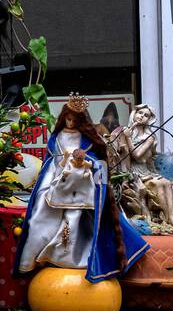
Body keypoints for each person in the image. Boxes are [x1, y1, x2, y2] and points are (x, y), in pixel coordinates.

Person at [15, 95, 149, 282]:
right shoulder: (56, 137)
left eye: (74, 120)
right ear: (63, 118)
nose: (70, 123)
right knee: (40, 217)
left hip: (81, 182)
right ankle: (40, 258)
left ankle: (75, 258)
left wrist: (84, 162)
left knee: (77, 219)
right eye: (68, 119)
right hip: (57, 179)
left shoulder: (86, 138)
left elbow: (95, 160)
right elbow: (52, 159)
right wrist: (63, 164)